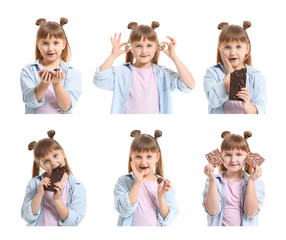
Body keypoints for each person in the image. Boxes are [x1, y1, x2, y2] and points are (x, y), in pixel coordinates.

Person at [94, 21, 195, 114]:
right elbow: (100, 79)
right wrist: (113, 55)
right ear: (130, 48)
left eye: (149, 45)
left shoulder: (163, 75)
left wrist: (174, 57)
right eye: (138, 46)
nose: (144, 51)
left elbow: (189, 85)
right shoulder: (122, 73)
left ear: (156, 47)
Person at [21, 130, 86, 226]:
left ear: (63, 153)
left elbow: (74, 221)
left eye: (55, 155)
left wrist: (57, 200)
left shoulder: (77, 187)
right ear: (41, 166)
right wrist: (39, 194)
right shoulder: (34, 184)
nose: (53, 163)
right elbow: (26, 216)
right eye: (46, 161)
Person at [114, 130, 178, 226]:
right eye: (138, 157)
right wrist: (137, 183)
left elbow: (167, 219)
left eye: (149, 156)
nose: (143, 162)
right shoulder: (123, 181)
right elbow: (124, 210)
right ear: (131, 157)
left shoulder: (163, 185)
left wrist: (161, 198)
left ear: (157, 157)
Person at [20, 18, 82, 114]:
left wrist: (57, 84)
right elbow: (30, 102)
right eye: (45, 43)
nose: (50, 48)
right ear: (38, 45)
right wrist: (44, 84)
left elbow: (66, 107)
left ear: (63, 44)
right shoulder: (28, 70)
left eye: (56, 43)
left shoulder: (73, 73)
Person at [203, 131, 265, 226]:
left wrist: (251, 181)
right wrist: (212, 180)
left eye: (239, 154)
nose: (233, 160)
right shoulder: (214, 181)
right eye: (228, 155)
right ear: (220, 157)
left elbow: (251, 213)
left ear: (247, 157)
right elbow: (212, 211)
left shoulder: (257, 183)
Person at [203, 21, 267, 114]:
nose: (233, 52)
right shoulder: (212, 73)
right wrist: (230, 74)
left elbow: (260, 111)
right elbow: (213, 101)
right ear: (220, 49)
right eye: (227, 47)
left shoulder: (256, 76)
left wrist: (247, 104)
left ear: (247, 48)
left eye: (238, 46)